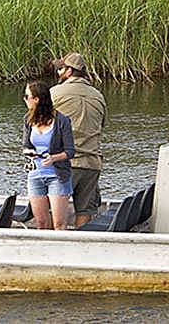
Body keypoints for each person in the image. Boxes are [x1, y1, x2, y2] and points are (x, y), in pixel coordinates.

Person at [50, 53, 107, 228]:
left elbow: (38, 125)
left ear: (69, 71)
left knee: (54, 210)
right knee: (85, 211)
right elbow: (102, 125)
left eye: (61, 68)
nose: (59, 71)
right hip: (91, 164)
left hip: (63, 163)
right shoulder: (98, 96)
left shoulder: (54, 93)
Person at [22, 80, 75, 230]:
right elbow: (26, 146)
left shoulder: (61, 121)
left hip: (57, 176)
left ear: (37, 99)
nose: (25, 99)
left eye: (27, 96)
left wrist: (53, 158)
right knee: (41, 223)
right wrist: (29, 152)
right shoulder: (28, 119)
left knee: (59, 223)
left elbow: (70, 152)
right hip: (35, 175)